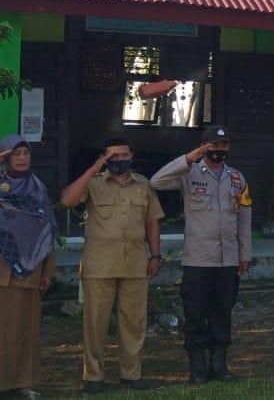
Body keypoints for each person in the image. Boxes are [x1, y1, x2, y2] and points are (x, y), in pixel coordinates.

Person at [60, 136, 164, 394]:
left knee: (134, 322)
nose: (119, 159)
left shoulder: (143, 185)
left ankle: (132, 374)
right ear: (105, 157)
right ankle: (93, 376)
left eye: (123, 154)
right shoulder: (93, 184)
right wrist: (95, 167)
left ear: (132, 156)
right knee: (95, 324)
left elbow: (153, 221)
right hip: (99, 266)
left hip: (135, 265)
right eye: (112, 155)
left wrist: (156, 255)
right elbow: (67, 200)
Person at [151, 126, 252, 384]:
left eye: (224, 145)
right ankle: (197, 369)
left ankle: (219, 366)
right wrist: (191, 156)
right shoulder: (189, 174)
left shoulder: (237, 178)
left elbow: (244, 219)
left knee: (222, 313)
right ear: (204, 146)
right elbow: (156, 181)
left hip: (227, 260)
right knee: (195, 314)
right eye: (213, 145)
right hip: (198, 260)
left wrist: (244, 254)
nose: (219, 150)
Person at [0, 135, 57, 398]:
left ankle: (22, 382)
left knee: (25, 329)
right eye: (15, 153)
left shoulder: (38, 188)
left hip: (31, 269)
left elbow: (47, 230)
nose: (22, 158)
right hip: (1, 270)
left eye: (26, 152)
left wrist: (47, 270)